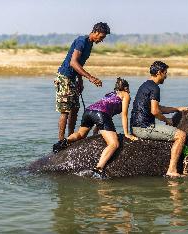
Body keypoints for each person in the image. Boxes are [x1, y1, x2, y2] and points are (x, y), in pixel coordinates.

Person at [53, 78, 138, 175]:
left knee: (81, 134)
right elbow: (124, 115)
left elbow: (103, 108)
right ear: (126, 88)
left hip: (89, 111)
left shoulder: (110, 94)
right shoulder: (125, 95)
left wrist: (96, 130)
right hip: (100, 114)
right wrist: (127, 134)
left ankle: (64, 142)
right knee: (114, 144)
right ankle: (99, 168)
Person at [53, 22, 110, 151]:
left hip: (73, 79)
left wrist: (80, 80)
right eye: (101, 37)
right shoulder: (82, 41)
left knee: (75, 109)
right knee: (65, 110)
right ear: (95, 32)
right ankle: (61, 141)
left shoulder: (89, 44)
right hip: (64, 77)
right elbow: (73, 62)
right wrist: (90, 78)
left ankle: (70, 138)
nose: (101, 40)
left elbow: (79, 63)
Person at [130, 61, 188, 177]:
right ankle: (172, 170)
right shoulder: (155, 88)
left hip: (136, 126)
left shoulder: (146, 85)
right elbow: (155, 111)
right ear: (159, 73)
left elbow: (158, 108)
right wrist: (167, 121)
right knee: (181, 135)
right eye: (165, 73)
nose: (166, 76)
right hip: (145, 128)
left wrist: (177, 109)